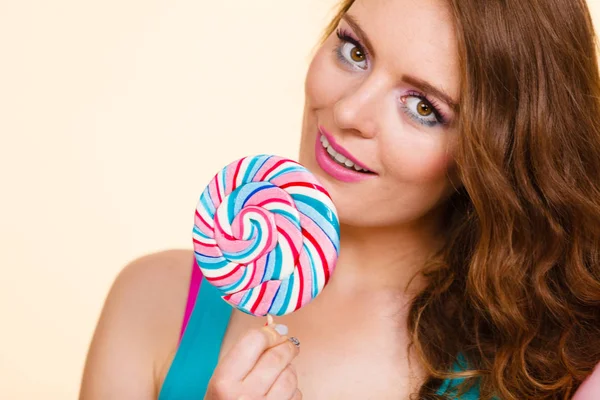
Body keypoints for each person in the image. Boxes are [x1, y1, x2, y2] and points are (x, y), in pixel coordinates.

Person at [79, 0, 600, 398]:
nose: (351, 111)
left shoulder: (550, 358)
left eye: (422, 107)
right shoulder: (151, 301)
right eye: (355, 52)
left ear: (491, 154)